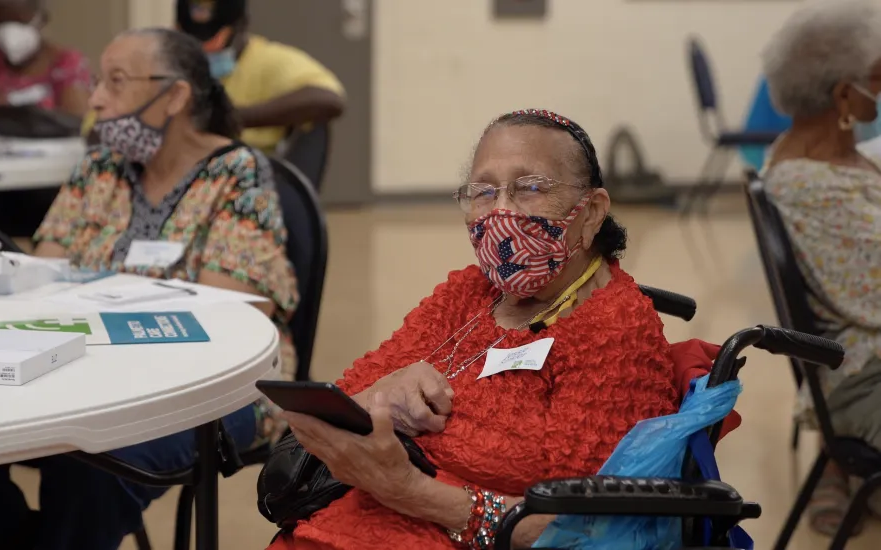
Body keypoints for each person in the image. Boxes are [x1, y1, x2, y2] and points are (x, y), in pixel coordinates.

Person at [0, 28, 297, 550]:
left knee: (92, 467)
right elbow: (43, 276)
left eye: (116, 82)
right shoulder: (99, 166)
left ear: (176, 95)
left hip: (211, 391)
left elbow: (232, 304)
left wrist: (89, 292)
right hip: (84, 374)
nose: (97, 98)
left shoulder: (237, 173)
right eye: (97, 81)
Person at [270, 109, 679, 550]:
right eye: (484, 192)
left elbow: (585, 530)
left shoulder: (612, 332)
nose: (501, 211)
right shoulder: (470, 294)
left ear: (593, 210)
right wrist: (380, 394)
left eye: (531, 188)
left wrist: (408, 490)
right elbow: (340, 404)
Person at [761, 0, 881, 537]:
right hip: (863, 380)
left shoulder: (817, 157)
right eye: (876, 77)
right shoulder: (816, 188)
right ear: (843, 95)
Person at [175, 0, 345, 153]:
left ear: (241, 26)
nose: (202, 49)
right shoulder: (169, 63)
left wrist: (233, 118)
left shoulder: (265, 61)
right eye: (191, 39)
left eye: (212, 40)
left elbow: (330, 99)